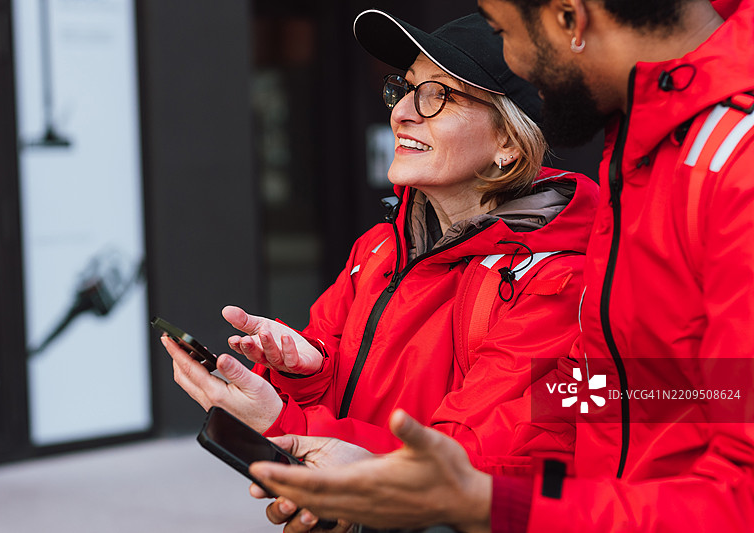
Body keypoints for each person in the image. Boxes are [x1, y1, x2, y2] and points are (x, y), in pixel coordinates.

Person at [246, 0, 754, 531]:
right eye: (405, 89)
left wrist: (293, 430)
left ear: (569, 18)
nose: (519, 63)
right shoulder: (379, 248)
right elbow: (617, 403)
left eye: (506, 31)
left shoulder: (569, 264)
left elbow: (486, 449)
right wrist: (297, 387)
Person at [161, 9, 598, 478]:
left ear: (508, 142)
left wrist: (282, 424)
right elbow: (341, 392)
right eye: (406, 88)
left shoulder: (558, 282)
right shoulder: (378, 247)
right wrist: (305, 370)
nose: (401, 112)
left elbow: (461, 466)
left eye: (437, 96)